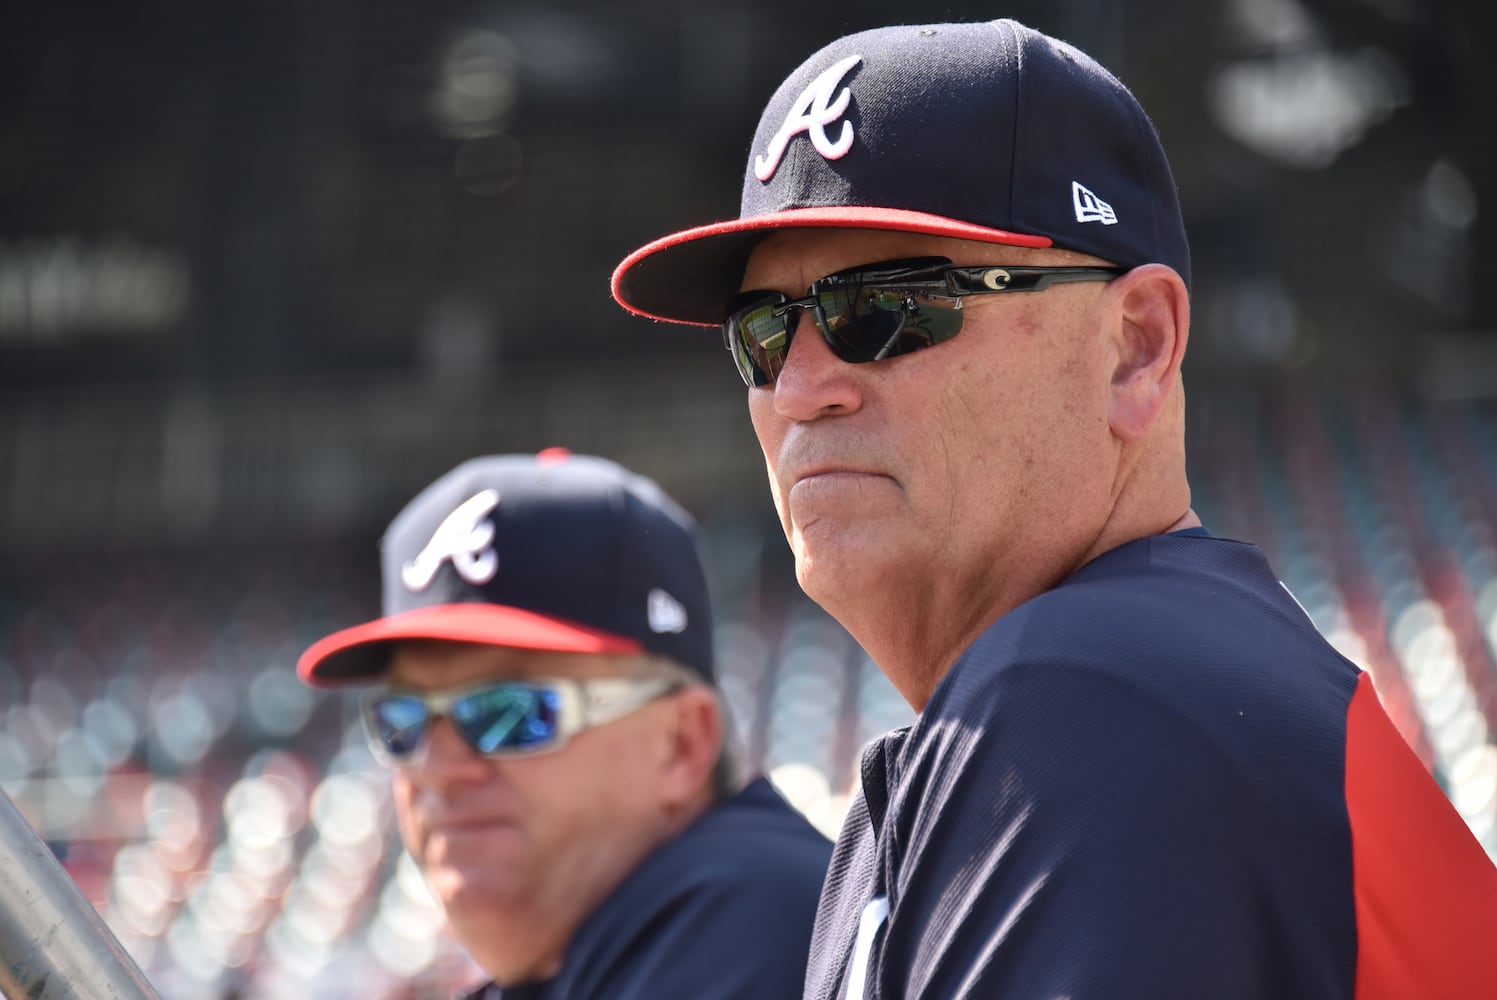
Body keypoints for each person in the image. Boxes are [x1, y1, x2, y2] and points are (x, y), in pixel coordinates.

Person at [610, 18, 1497, 1000]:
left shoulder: (1097, 688)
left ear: (1136, 347)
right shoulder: (1114, 686)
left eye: (887, 307)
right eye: (763, 334)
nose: (798, 389)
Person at [296, 448, 832, 999]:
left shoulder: (752, 913)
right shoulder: (608, 952)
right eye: (402, 723)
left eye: (510, 713)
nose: (437, 767)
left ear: (681, 743)